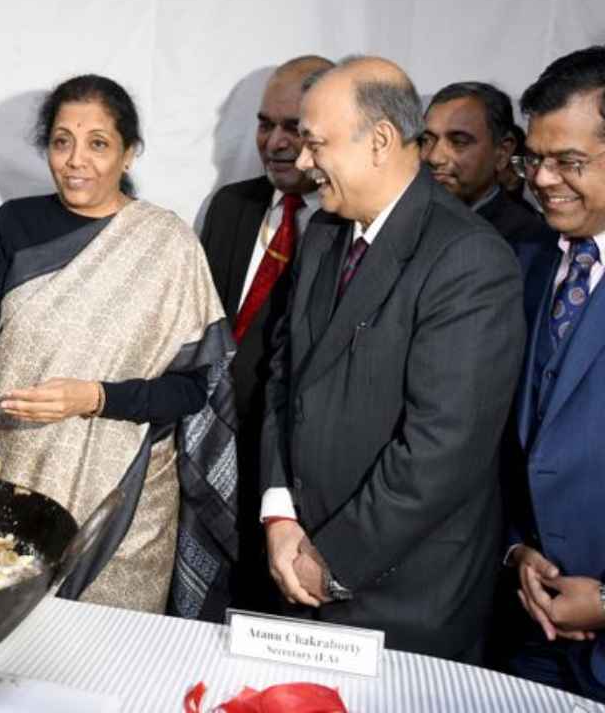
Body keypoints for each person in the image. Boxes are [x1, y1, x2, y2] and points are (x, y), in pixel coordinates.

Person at [0, 74, 237, 618]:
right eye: (61, 141)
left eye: (98, 144)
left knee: (109, 660)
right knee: (3, 641)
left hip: (124, 499)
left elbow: (190, 391)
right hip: (12, 474)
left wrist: (91, 397)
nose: (75, 160)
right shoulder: (12, 226)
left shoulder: (168, 244)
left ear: (128, 153)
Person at [260, 56, 524, 661]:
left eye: (315, 144)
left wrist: (330, 558)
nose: (301, 162)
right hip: (297, 567)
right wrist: (279, 517)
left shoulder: (469, 259)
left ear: (379, 141)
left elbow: (442, 449)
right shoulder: (325, 232)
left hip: (405, 595)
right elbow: (284, 378)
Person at [200, 54, 332, 609]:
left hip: (301, 480)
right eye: (264, 124)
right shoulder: (231, 206)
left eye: (294, 128)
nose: (276, 142)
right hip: (215, 457)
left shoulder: (349, 228)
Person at [504, 45, 605, 703]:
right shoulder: (526, 260)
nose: (542, 180)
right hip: (528, 627)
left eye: (569, 162)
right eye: (533, 159)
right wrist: (515, 552)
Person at [421, 81, 552, 246]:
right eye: (426, 140)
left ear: (503, 152)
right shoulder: (405, 220)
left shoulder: (530, 243)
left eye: (459, 142)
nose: (434, 157)